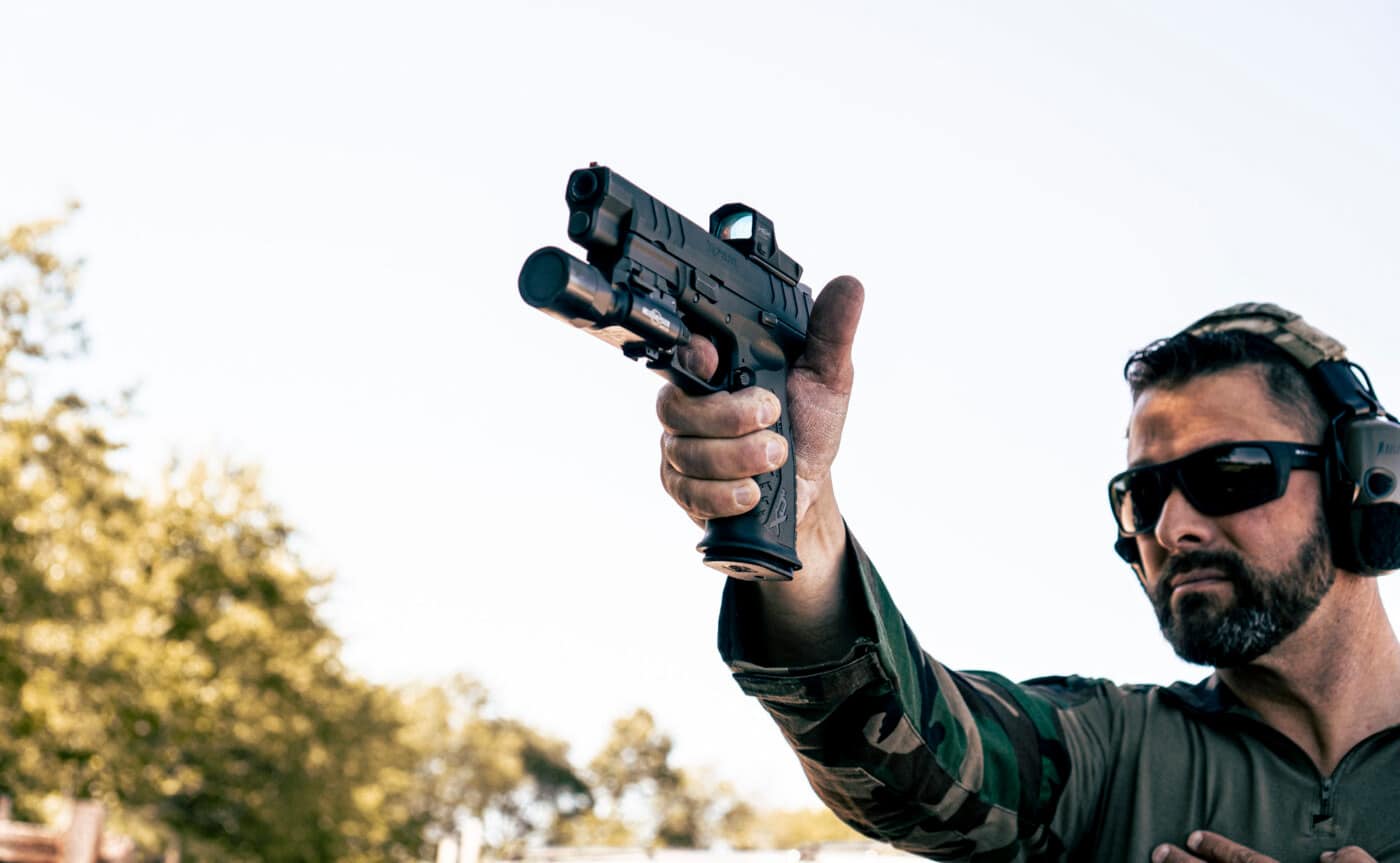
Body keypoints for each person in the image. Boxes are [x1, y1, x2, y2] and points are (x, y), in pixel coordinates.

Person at [655, 280, 1400, 862]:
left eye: (1230, 472)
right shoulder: (1108, 756)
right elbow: (914, 755)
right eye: (1143, 494)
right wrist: (803, 518)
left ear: (1360, 486)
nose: (1173, 527)